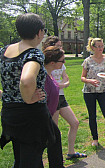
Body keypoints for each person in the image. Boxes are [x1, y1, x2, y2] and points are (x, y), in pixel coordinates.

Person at [0, 13, 63, 167]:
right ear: (39, 32)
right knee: (31, 160)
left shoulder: (5, 51)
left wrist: (6, 94)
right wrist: (28, 98)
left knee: (23, 156)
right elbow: (27, 80)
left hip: (10, 113)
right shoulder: (33, 53)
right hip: (30, 115)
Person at [43, 36, 87, 160]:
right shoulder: (47, 65)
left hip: (61, 97)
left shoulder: (60, 63)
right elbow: (53, 84)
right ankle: (53, 158)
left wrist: (61, 84)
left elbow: (66, 79)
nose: (61, 48)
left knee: (75, 123)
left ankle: (71, 152)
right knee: (54, 131)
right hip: (52, 99)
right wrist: (61, 84)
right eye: (58, 46)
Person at [43, 46, 67, 167]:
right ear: (52, 63)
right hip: (42, 119)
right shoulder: (43, 78)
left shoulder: (49, 74)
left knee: (54, 140)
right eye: (62, 61)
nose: (64, 63)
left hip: (48, 118)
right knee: (37, 149)